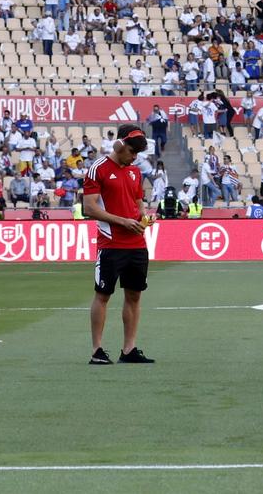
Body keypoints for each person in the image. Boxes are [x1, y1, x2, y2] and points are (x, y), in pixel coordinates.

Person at [84, 123, 154, 366]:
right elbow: (89, 207)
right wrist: (123, 222)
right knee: (103, 295)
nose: (134, 156)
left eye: (137, 153)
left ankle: (129, 349)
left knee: (134, 295)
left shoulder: (135, 171)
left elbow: (138, 201)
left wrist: (144, 217)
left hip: (136, 242)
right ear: (120, 145)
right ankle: (97, 350)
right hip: (111, 243)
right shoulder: (98, 169)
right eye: (132, 151)